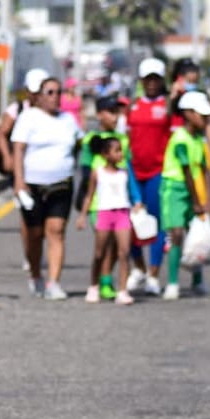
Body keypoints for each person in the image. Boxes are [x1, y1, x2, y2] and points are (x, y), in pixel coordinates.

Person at [10, 75, 82, 300]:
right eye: (50, 92)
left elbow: (79, 145)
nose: (55, 97)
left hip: (61, 183)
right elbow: (19, 149)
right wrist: (19, 181)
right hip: (33, 184)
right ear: (39, 96)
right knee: (35, 234)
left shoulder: (68, 120)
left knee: (57, 231)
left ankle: (54, 282)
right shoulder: (28, 118)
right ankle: (35, 274)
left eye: (58, 92)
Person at [159, 91, 210, 300]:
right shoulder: (180, 139)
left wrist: (209, 198)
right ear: (188, 114)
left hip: (195, 189)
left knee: (198, 236)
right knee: (176, 234)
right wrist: (196, 201)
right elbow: (186, 172)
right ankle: (172, 283)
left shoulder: (199, 139)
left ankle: (198, 280)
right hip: (175, 189)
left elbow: (203, 168)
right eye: (202, 114)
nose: (206, 119)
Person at [125, 57, 173, 296]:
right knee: (131, 223)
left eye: (156, 79)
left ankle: (154, 275)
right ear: (142, 81)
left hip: (158, 173)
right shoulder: (132, 106)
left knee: (156, 224)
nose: (152, 83)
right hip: (134, 173)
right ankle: (139, 268)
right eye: (148, 79)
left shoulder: (168, 106)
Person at [0, 67, 49, 276]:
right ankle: (30, 253)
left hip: (44, 170)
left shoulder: (53, 111)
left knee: (46, 218)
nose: (37, 96)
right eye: (34, 91)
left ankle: (37, 250)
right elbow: (1, 134)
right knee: (29, 215)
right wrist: (8, 157)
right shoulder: (17, 109)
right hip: (22, 170)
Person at [76, 135, 142, 305]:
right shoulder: (97, 173)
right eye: (116, 151)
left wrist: (137, 203)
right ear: (105, 154)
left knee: (124, 252)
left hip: (122, 214)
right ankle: (93, 285)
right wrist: (83, 216)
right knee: (99, 253)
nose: (120, 154)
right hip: (104, 214)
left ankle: (122, 290)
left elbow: (132, 190)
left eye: (121, 150)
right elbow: (89, 196)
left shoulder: (124, 173)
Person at [76, 94, 129, 300]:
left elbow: (127, 169)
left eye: (117, 113)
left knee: (118, 246)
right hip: (99, 203)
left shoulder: (123, 140)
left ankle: (107, 280)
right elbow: (87, 172)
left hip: (120, 201)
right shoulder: (90, 140)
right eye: (111, 112)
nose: (115, 117)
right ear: (99, 115)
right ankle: (99, 281)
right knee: (103, 246)